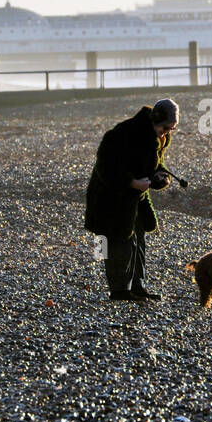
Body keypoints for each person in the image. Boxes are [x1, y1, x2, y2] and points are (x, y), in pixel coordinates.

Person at [84, 98, 178, 301]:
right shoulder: (122, 134)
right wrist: (132, 183)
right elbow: (105, 169)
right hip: (109, 197)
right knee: (118, 242)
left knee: (139, 239)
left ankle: (137, 287)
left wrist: (159, 178)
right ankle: (119, 290)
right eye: (166, 127)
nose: (167, 132)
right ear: (156, 120)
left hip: (135, 199)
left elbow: (153, 165)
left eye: (172, 128)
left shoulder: (158, 137)